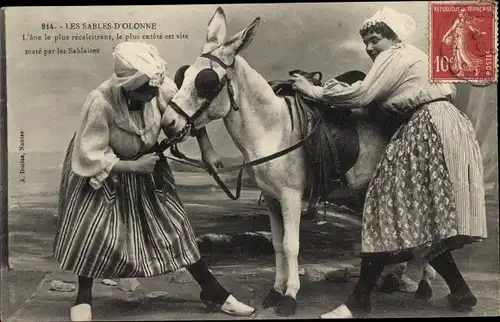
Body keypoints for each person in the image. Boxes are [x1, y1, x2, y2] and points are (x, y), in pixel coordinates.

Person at [291, 7, 487, 319]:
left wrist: (311, 90)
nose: (369, 47)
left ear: (392, 37)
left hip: (426, 128)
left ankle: (359, 302)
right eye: (366, 42)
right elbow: (380, 100)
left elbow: (363, 96)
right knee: (420, 217)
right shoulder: (409, 56)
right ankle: (461, 292)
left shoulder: (395, 55)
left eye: (374, 40)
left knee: (383, 207)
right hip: (443, 125)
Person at [53, 41, 255, 321]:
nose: (153, 93)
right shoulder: (101, 101)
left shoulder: (159, 89)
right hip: (105, 166)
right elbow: (91, 154)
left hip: (146, 162)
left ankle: (212, 292)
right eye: (146, 88)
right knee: (94, 230)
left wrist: (207, 149)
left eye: (155, 86)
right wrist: (133, 167)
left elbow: (187, 113)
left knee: (175, 228)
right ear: (129, 84)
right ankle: (82, 298)